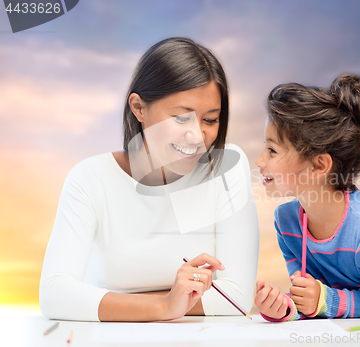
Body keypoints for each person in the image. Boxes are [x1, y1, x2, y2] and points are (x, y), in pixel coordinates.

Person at [39, 37, 259, 322]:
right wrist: (165, 306)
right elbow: (55, 294)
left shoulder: (226, 169)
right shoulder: (90, 179)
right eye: (181, 118)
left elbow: (237, 297)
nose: (197, 135)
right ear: (139, 107)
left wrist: (110, 302)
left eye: (210, 120)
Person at [254, 73, 360, 321]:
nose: (259, 161)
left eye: (272, 150)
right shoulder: (287, 222)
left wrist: (324, 301)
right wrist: (285, 308)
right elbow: (312, 298)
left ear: (319, 165)